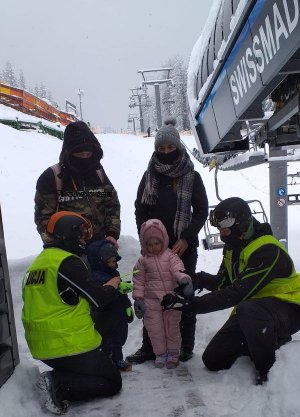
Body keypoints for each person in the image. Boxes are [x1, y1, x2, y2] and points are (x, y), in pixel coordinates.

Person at [161, 197, 300, 385]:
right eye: (219, 231)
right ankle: (258, 339)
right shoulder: (233, 248)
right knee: (213, 359)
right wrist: (197, 279)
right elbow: (224, 282)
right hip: (254, 312)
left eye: (225, 230)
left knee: (247, 309)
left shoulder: (267, 249)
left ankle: (267, 368)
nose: (223, 235)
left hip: (288, 308)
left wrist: (191, 305)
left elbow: (237, 293)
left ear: (241, 225)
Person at [22, 211, 122, 415]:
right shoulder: (66, 262)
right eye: (81, 234)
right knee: (112, 381)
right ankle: (57, 384)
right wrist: (112, 285)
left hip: (43, 347)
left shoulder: (38, 265)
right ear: (69, 233)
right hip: (66, 344)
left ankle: (69, 372)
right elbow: (99, 299)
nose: (83, 240)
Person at [126, 117, 208, 364]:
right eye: (161, 149)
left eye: (169, 148)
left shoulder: (192, 176)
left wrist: (185, 238)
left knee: (184, 292)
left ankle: (185, 345)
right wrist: (145, 237)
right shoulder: (150, 174)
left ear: (178, 148)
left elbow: (201, 210)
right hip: (154, 249)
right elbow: (140, 207)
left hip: (183, 247)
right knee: (153, 297)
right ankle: (150, 348)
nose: (165, 152)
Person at [34, 121, 120, 248]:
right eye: (80, 154)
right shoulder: (53, 177)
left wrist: (112, 233)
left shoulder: (97, 173)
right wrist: (56, 244)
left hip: (100, 247)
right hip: (67, 250)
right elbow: (44, 219)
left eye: (88, 154)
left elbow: (111, 203)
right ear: (68, 152)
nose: (85, 158)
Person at [132, 219, 193, 368]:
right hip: (151, 302)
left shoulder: (170, 256)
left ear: (163, 240)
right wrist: (138, 299)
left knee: (172, 327)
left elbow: (177, 268)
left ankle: (173, 353)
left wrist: (184, 279)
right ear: (144, 245)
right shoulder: (142, 261)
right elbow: (138, 280)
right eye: (149, 244)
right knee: (155, 330)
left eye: (157, 243)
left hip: (170, 300)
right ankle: (160, 354)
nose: (153, 247)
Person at [86, 239, 134, 372]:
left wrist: (128, 306)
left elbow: (122, 294)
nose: (115, 265)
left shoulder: (115, 274)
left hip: (119, 314)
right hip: (105, 316)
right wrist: (117, 286)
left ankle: (118, 359)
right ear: (100, 261)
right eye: (111, 262)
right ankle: (106, 362)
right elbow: (102, 291)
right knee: (106, 340)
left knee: (118, 339)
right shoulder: (95, 276)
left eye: (115, 261)